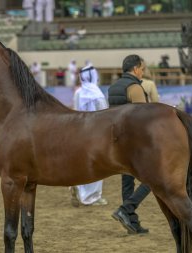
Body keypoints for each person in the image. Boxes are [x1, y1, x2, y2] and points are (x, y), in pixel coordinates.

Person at [108, 54, 150, 234]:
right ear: (135, 69)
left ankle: (131, 222)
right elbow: (142, 118)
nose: (143, 72)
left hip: (119, 142)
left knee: (127, 182)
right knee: (152, 179)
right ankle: (126, 209)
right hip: (134, 142)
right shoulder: (134, 87)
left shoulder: (113, 87)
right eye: (142, 69)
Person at [70, 65, 108, 207]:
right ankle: (92, 197)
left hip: (79, 132)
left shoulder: (78, 92)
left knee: (81, 163)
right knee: (97, 165)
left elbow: (74, 111)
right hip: (95, 134)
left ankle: (79, 189)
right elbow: (104, 114)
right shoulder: (97, 93)